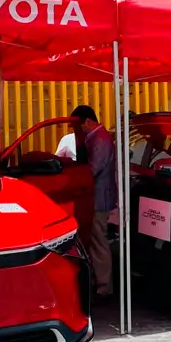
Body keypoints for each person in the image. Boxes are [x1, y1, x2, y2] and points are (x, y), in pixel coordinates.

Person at [71, 104, 117, 299]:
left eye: (77, 126)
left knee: (99, 239)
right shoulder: (95, 138)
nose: (76, 131)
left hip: (99, 198)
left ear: (88, 122)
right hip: (94, 197)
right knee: (94, 239)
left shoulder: (100, 139)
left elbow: (93, 169)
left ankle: (104, 286)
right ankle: (98, 281)